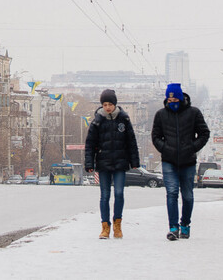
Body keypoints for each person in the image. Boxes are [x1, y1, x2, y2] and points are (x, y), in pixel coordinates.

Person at [151, 83, 210, 241]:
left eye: (175, 99)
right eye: (170, 100)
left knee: (188, 196)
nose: (173, 103)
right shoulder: (161, 115)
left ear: (181, 97)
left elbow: (204, 133)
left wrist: (192, 147)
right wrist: (165, 148)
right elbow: (155, 136)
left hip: (188, 162)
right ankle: (173, 228)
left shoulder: (194, 113)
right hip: (169, 161)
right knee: (171, 194)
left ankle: (185, 225)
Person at [85, 89, 140, 239]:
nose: (107, 107)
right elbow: (90, 143)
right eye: (105, 104)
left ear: (115, 104)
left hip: (120, 163)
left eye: (110, 104)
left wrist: (134, 161)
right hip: (103, 163)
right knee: (105, 195)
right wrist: (89, 162)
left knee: (119, 193)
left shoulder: (124, 119)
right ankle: (105, 227)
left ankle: (117, 224)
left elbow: (131, 141)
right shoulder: (97, 121)